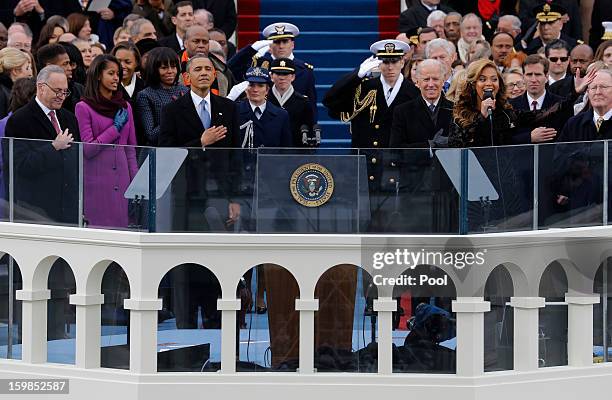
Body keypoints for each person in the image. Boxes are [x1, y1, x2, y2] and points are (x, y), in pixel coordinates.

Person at [158, 54, 240, 231]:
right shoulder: (172, 110)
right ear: (187, 78)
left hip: (221, 192)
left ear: (215, 75)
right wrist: (200, 142)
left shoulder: (229, 107)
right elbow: (166, 152)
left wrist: (236, 198)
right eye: (198, 69)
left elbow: (236, 156)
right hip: (186, 192)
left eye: (208, 69)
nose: (204, 73)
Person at [448, 58, 593, 147]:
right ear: (473, 84)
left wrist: (574, 93)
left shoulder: (505, 112)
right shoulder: (460, 114)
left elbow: (544, 113)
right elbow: (459, 147)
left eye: (494, 79)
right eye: (482, 79)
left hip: (504, 180)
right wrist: (482, 117)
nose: (489, 84)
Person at [4, 65, 80, 224]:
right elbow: (20, 166)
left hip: (68, 209)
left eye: (65, 91)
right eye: (57, 91)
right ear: (41, 87)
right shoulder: (20, 120)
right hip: (35, 210)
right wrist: (53, 148)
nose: (61, 96)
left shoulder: (69, 118)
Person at [75, 55, 138, 228]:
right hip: (97, 182)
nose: (116, 78)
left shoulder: (125, 107)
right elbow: (88, 149)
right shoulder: (83, 107)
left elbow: (130, 149)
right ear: (97, 75)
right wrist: (114, 129)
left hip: (123, 180)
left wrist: (136, 184)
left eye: (118, 74)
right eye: (111, 73)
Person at [228, 22, 317, 120]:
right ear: (269, 45)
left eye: (285, 41)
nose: (281, 46)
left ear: (292, 44)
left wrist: (312, 130)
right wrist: (251, 49)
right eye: (277, 42)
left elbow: (311, 104)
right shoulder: (259, 64)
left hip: (295, 125)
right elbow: (230, 70)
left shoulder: (304, 70)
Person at [390, 58, 453, 148]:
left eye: (435, 79)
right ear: (418, 82)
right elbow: (396, 149)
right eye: (426, 79)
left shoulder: (455, 110)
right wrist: (429, 146)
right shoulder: (402, 112)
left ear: (443, 81)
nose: (431, 84)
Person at [135, 47, 187, 145]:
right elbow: (151, 135)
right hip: (160, 152)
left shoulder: (185, 91)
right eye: (164, 68)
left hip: (187, 150)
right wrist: (175, 112)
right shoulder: (145, 95)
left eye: (173, 66)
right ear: (153, 69)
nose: (170, 71)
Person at [267, 57, 315, 147]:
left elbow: (309, 130)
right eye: (278, 73)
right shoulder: (265, 100)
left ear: (293, 77)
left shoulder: (303, 102)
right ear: (271, 76)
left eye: (286, 74)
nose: (282, 77)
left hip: (294, 152)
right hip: (269, 151)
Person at [179, 25, 235, 97]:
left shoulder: (222, 70)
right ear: (185, 43)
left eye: (205, 42)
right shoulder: (173, 67)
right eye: (196, 41)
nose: (201, 45)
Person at [558, 69, 612, 141]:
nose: (598, 92)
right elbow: (561, 151)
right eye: (593, 88)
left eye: (603, 87)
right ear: (588, 92)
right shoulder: (574, 124)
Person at [0, 47, 32, 118]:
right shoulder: (3, 93)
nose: (30, 73)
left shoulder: (9, 90)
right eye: (27, 68)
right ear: (15, 71)